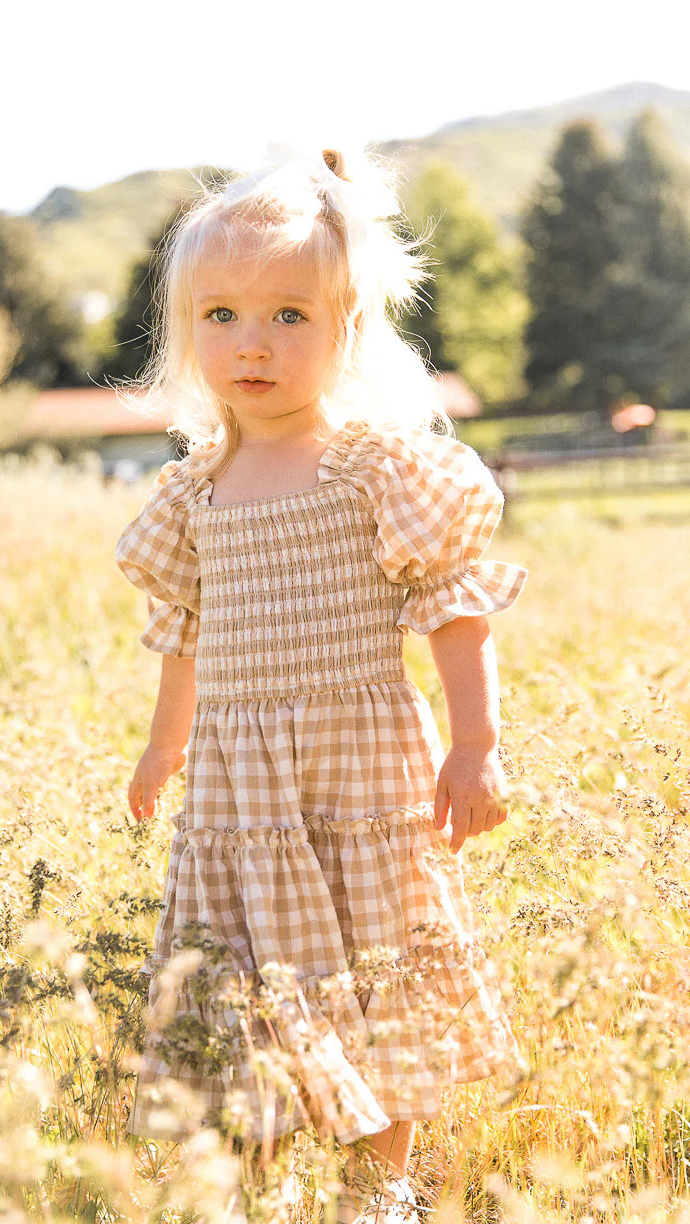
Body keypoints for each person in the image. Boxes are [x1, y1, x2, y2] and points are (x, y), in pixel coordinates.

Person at [114, 141, 529, 1223]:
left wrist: (475, 742)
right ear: (186, 329)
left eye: (290, 316)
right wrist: (166, 743)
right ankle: (263, 1173)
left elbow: (452, 604)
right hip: (240, 786)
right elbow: (187, 631)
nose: (254, 344)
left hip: (359, 773)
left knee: (376, 963)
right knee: (247, 979)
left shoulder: (375, 467)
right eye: (224, 317)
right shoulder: (196, 491)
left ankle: (381, 1185)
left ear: (348, 326)